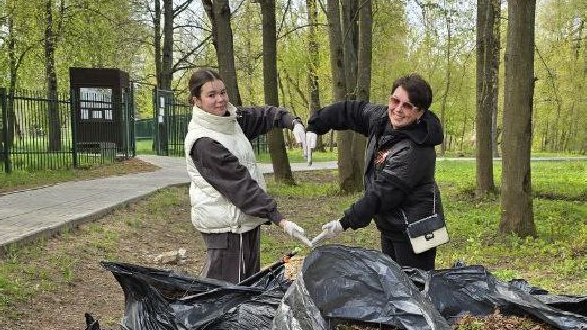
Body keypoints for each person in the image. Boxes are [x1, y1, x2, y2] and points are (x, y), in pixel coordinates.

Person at [183, 67, 311, 282]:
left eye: (222, 92)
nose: (220, 100)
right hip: (228, 231)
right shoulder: (204, 142)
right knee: (227, 294)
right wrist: (281, 220)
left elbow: (265, 115)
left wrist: (293, 123)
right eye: (211, 95)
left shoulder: (230, 121)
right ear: (197, 100)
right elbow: (242, 187)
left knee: (245, 287)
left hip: (244, 223)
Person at [306, 74, 446, 271]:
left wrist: (344, 223)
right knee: (394, 286)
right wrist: (316, 126)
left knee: (415, 292)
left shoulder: (416, 150)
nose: (397, 109)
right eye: (395, 100)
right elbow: (350, 111)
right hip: (391, 224)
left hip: (416, 231)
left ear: (420, 112)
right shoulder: (381, 118)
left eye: (407, 106)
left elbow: (380, 195)